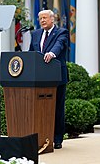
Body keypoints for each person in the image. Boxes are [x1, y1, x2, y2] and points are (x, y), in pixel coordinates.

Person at [29, 10, 68, 149]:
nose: (42, 20)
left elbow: (59, 45)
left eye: (45, 18)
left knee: (57, 109)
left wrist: (52, 53)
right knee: (40, 109)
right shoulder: (35, 34)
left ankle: (57, 139)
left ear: (52, 19)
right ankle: (41, 137)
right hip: (38, 79)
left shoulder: (61, 32)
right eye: (40, 18)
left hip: (57, 77)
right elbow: (31, 54)